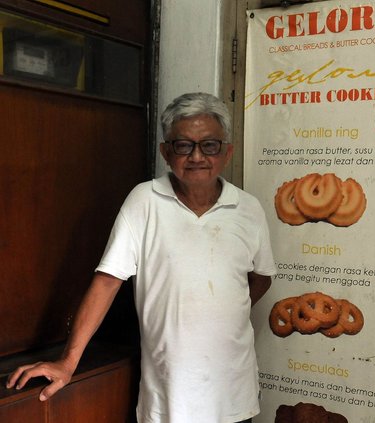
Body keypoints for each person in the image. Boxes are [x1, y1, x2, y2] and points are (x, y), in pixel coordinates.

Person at [6, 92, 277, 423]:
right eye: (183, 145)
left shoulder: (247, 209)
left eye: (210, 145)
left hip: (234, 392)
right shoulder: (143, 201)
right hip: (167, 396)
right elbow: (107, 282)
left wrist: (220, 310)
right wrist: (68, 362)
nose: (197, 156)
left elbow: (261, 277)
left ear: (227, 152)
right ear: (166, 151)